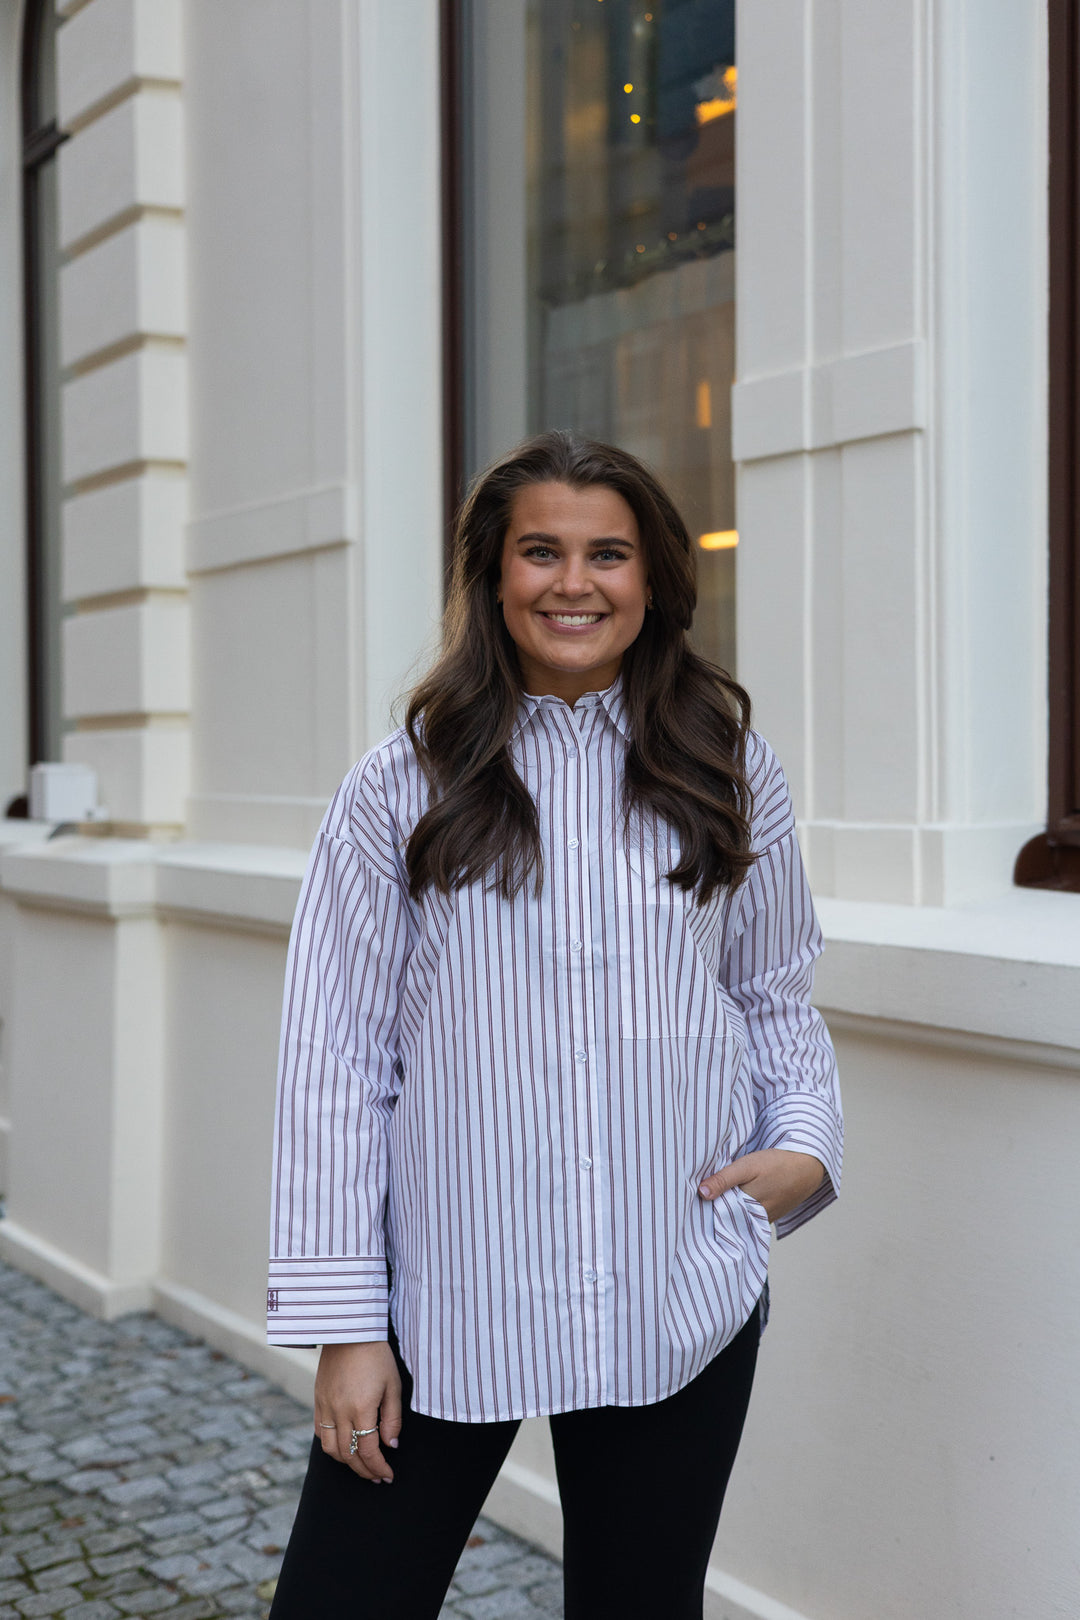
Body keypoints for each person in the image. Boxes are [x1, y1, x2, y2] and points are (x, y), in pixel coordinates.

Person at [265, 432, 842, 1620]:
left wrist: (804, 1142)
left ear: (654, 579)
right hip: (444, 1299)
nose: (574, 583)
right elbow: (337, 1057)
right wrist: (347, 1325)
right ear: (492, 575)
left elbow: (772, 987)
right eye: (540, 551)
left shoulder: (728, 769)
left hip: (672, 1282)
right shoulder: (401, 785)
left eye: (607, 554)